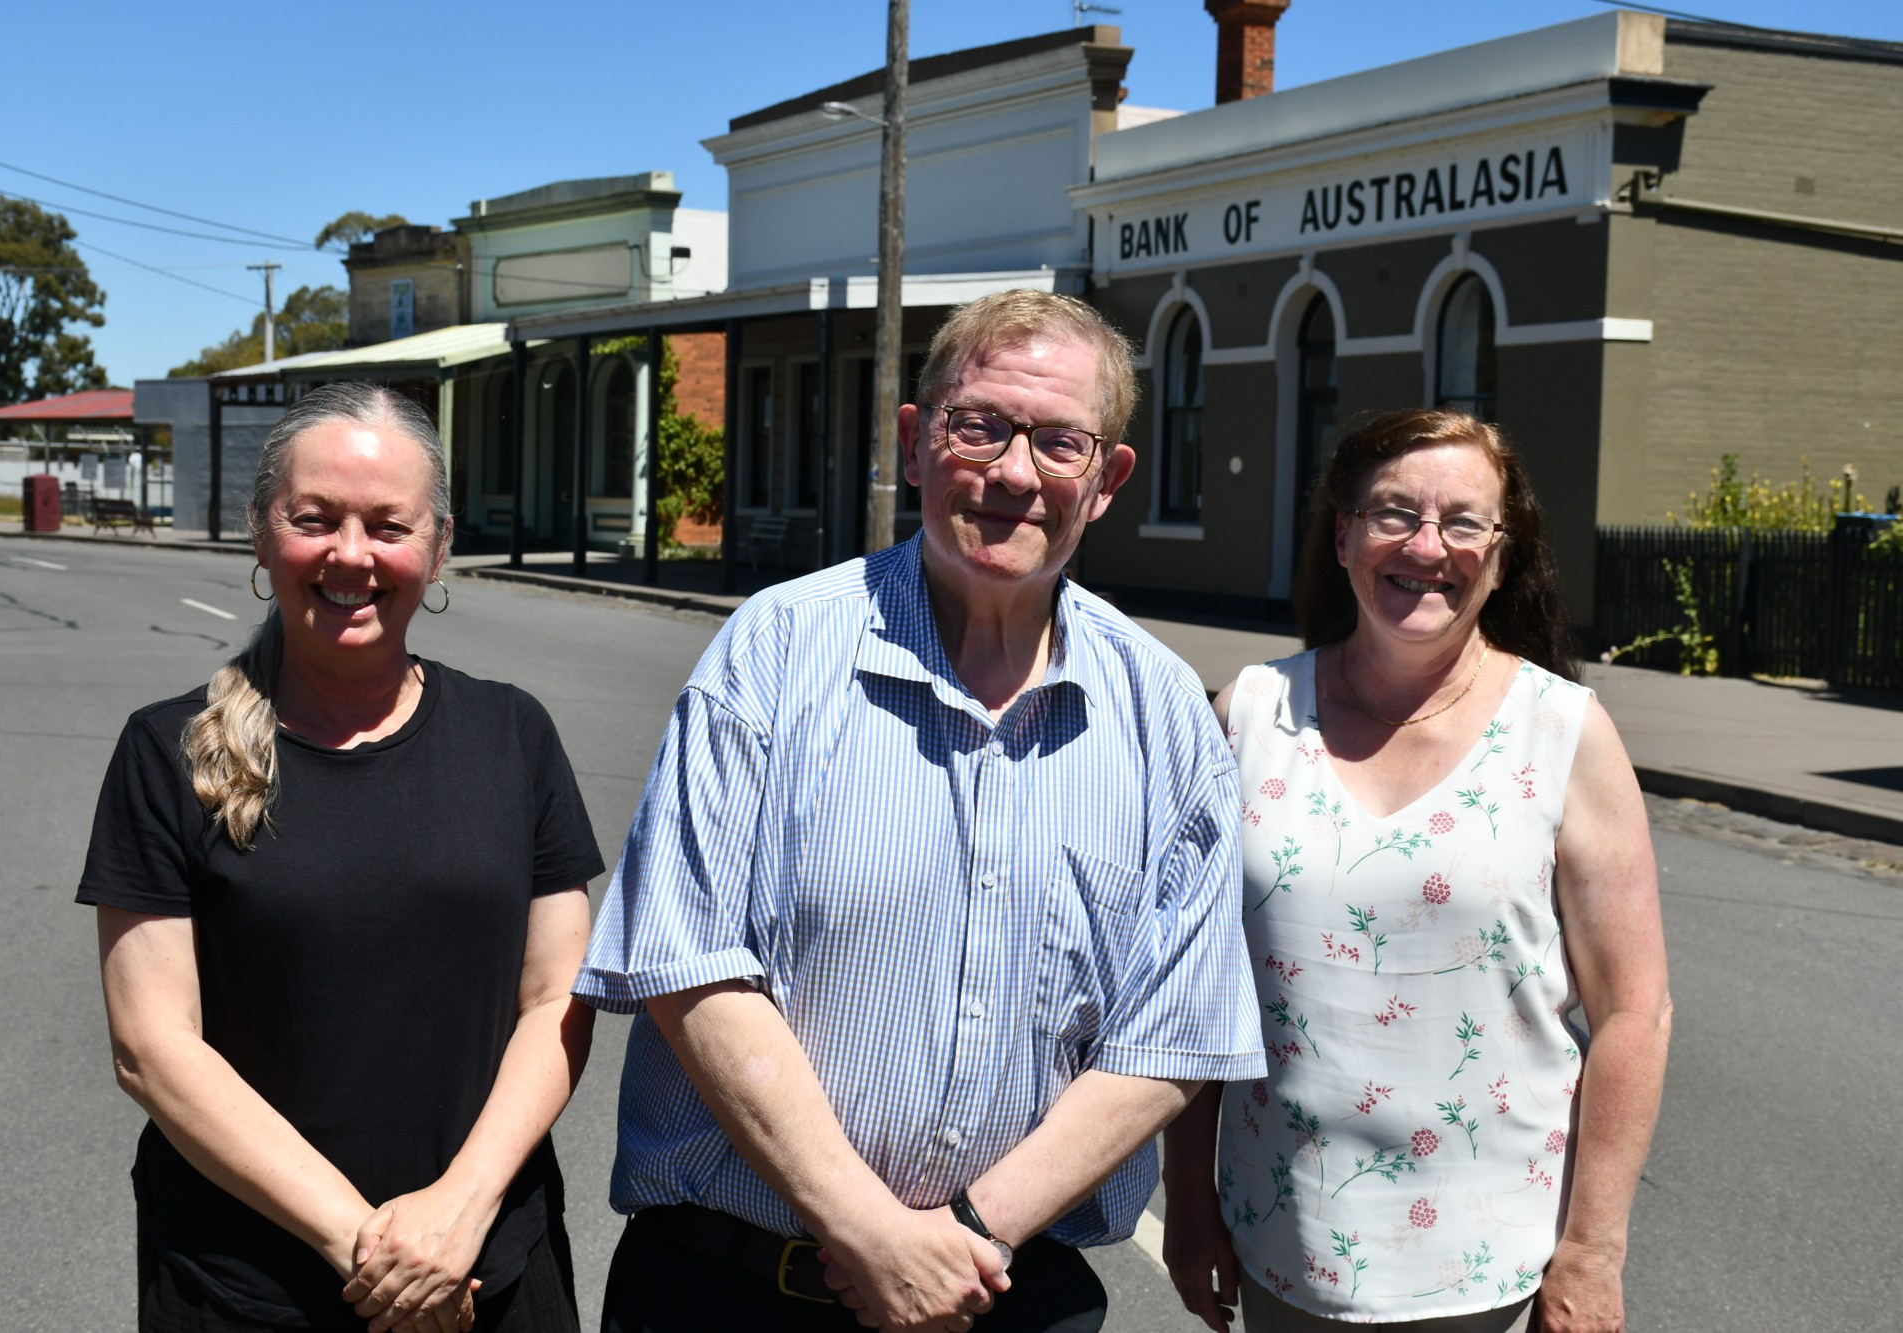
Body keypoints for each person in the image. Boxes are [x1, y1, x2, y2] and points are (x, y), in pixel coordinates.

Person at [574, 289, 1265, 1333]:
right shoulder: (771, 652)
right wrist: (871, 1231)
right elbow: (688, 962)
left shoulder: (1164, 712)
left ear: (1108, 477)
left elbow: (1170, 1035)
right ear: (912, 440)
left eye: (1058, 442)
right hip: (730, 1293)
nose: (1011, 473)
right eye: (976, 424)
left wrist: (971, 1236)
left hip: (1008, 1296)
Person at [79, 382, 604, 1333]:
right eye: (313, 519)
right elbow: (153, 1049)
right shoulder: (165, 751)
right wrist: (371, 1247)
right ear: (259, 531)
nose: (350, 555)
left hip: (490, 1273)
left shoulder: (513, 735)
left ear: (438, 547)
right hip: (247, 1292)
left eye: (387, 525)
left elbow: (556, 1001)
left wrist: (458, 1214)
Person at [1162, 407, 1672, 1333]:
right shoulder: (1249, 713)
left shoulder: (1564, 732)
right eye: (1395, 512)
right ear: (1347, 534)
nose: (1427, 544)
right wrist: (1188, 1201)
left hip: (1493, 1260)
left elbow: (1636, 1010)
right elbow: (1194, 989)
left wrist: (1593, 1252)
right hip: (1286, 1238)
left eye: (1464, 521)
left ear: (1503, 556)